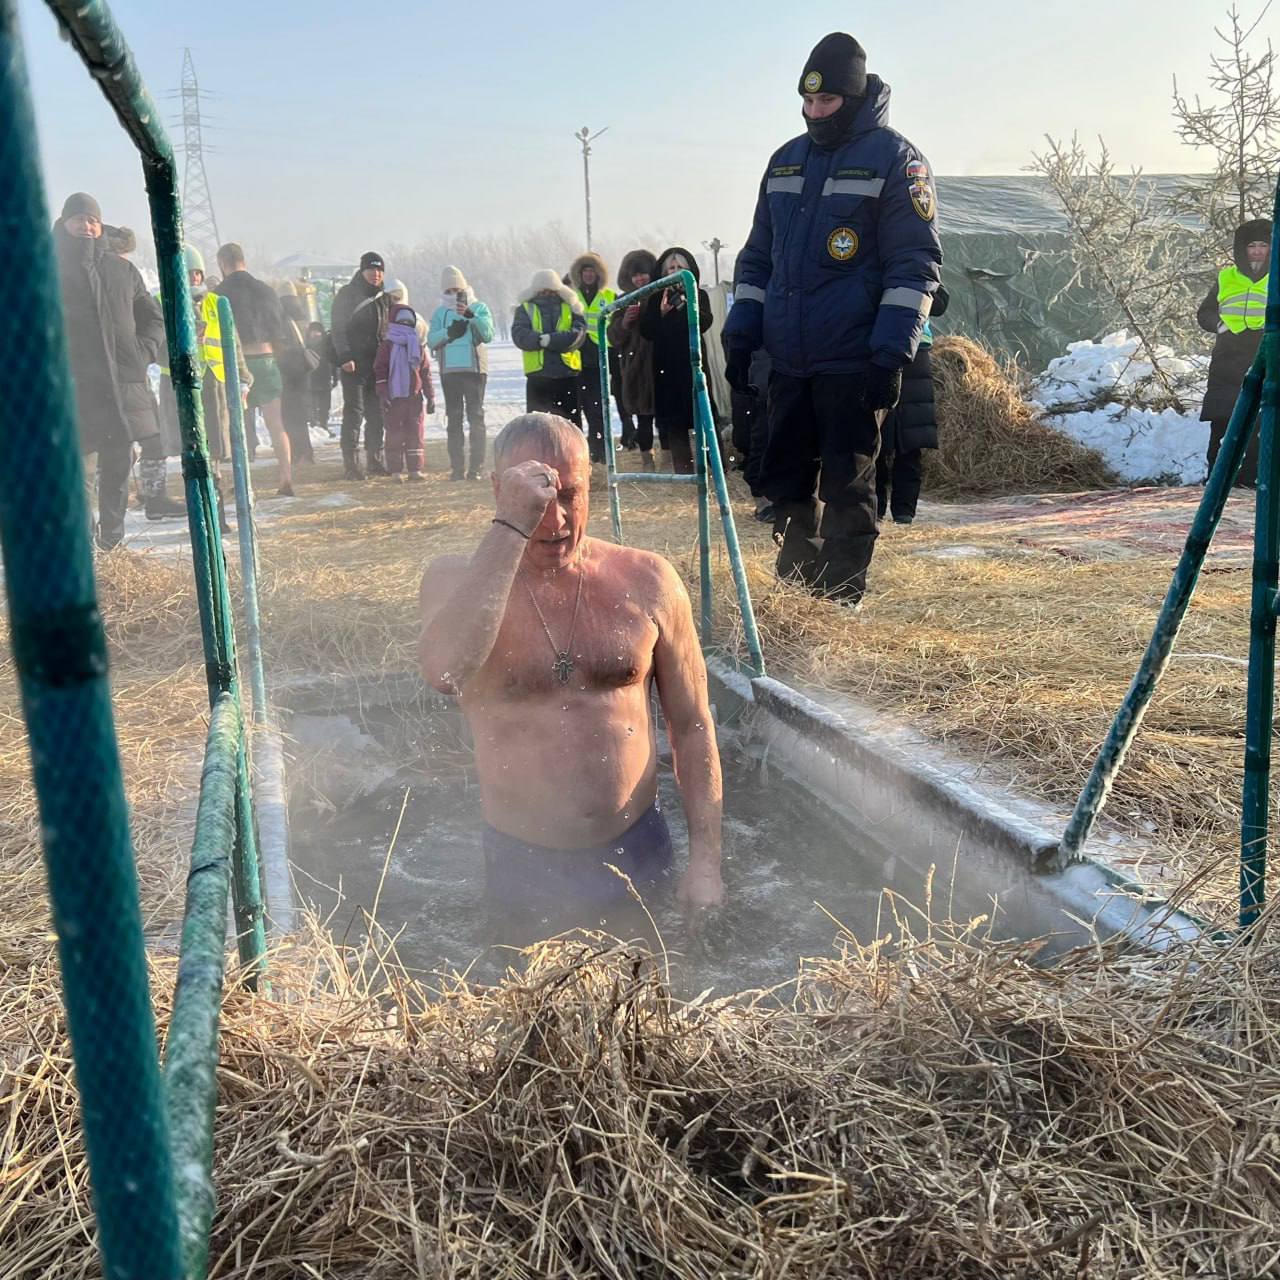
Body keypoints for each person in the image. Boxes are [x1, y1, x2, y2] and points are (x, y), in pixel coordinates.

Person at [417, 412, 724, 914]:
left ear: (590, 487)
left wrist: (706, 863)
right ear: (499, 491)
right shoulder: (456, 581)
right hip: (521, 862)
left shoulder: (648, 580)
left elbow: (692, 725)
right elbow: (445, 671)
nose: (555, 521)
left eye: (569, 495)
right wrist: (509, 528)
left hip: (638, 846)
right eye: (535, 500)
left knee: (656, 962)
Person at [724, 32, 941, 607]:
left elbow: (914, 266)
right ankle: (796, 591)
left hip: (853, 359)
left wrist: (890, 355)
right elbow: (757, 257)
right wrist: (741, 331)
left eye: (828, 101)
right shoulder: (785, 160)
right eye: (807, 101)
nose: (815, 112)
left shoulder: (897, 161)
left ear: (855, 96)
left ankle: (841, 599)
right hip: (789, 359)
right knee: (786, 479)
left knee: (847, 485)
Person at [53, 193, 167, 550]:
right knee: (78, 472)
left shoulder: (122, 269)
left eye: (92, 220)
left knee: (118, 466)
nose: (86, 226)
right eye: (78, 219)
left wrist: (142, 352)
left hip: (122, 387)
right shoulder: (46, 269)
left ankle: (112, 543)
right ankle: (84, 547)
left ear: (100, 226)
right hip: (73, 388)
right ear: (64, 223)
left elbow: (153, 318)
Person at [157, 244, 252, 534]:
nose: (195, 279)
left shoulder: (216, 303)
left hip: (214, 387)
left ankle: (217, 516)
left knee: (215, 454)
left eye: (198, 273)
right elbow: (155, 349)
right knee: (193, 453)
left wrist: (244, 378)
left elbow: (233, 344)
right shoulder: (161, 303)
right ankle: (200, 517)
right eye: (188, 273)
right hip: (181, 389)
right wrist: (182, 341)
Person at [102, 223, 187, 522]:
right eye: (122, 253)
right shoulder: (90, 277)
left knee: (152, 439)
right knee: (111, 446)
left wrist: (143, 352)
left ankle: (154, 498)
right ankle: (116, 510)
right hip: (103, 377)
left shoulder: (126, 276)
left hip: (133, 374)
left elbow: (151, 318)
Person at [214, 243, 296, 496]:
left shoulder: (219, 294)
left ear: (222, 264)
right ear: (243, 261)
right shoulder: (266, 290)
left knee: (235, 424)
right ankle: (286, 478)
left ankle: (238, 481)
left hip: (237, 364)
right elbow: (281, 328)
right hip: (267, 358)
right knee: (276, 424)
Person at [1197, 218, 1271, 488]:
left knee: (1257, 424)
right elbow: (1204, 312)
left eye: (1263, 245)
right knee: (1221, 423)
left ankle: (1246, 481)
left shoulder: (1277, 278)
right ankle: (1215, 481)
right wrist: (1220, 325)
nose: (1257, 251)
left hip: (1263, 357)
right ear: (1242, 248)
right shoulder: (1226, 277)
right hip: (1226, 360)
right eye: (1251, 246)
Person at [875, 283, 949, 524]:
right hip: (880, 348)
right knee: (875, 436)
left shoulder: (917, 269)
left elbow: (939, 304)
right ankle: (875, 507)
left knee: (910, 437)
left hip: (913, 350)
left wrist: (929, 283)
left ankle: (903, 510)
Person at [639, 247, 715, 475]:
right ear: (663, 272)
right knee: (674, 420)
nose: (675, 271)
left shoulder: (698, 294)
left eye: (680, 267)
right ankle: (684, 472)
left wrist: (684, 305)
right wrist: (662, 314)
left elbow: (705, 322)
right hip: (666, 366)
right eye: (671, 268)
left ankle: (716, 466)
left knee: (704, 414)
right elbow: (647, 331)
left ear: (690, 269)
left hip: (693, 362)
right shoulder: (655, 297)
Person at [429, 266, 495, 481]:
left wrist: (471, 316)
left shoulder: (478, 306)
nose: (453, 294)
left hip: (474, 370)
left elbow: (488, 334)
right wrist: (449, 332)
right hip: (449, 371)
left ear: (464, 288)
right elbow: (431, 340)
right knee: (454, 419)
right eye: (448, 291)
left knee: (476, 417)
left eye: (457, 289)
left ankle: (476, 467)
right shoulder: (439, 313)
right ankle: (457, 468)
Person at [331, 251, 390, 479]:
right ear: (362, 270)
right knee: (354, 413)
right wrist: (345, 355)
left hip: (377, 365)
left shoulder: (385, 298)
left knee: (377, 414)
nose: (376, 274)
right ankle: (352, 465)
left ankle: (375, 460)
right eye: (371, 269)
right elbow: (337, 328)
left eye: (379, 270)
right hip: (354, 364)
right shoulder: (347, 294)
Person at [511, 269, 587, 421]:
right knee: (539, 425)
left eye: (551, 291)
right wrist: (541, 339)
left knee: (569, 424)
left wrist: (549, 340)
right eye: (543, 291)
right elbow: (519, 335)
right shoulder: (525, 308)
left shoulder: (570, 307)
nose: (547, 294)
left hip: (566, 374)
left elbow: (577, 334)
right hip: (539, 375)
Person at [607, 249, 659, 471]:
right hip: (635, 367)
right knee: (643, 417)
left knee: (666, 417)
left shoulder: (661, 293)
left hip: (661, 361)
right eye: (634, 275)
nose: (639, 279)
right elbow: (612, 337)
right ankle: (648, 460)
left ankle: (670, 460)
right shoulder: (623, 301)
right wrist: (624, 323)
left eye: (643, 273)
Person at [374, 302, 435, 482]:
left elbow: (425, 373)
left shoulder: (417, 346)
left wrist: (430, 396)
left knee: (415, 433)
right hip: (393, 398)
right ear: (393, 322)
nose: (406, 325)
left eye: (409, 322)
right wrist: (383, 393)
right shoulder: (387, 346)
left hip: (414, 397)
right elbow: (380, 370)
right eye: (402, 321)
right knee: (394, 434)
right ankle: (395, 470)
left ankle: (415, 469)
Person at [569, 252, 616, 467]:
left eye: (592, 271)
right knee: (576, 408)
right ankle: (580, 453)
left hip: (599, 358)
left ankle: (600, 451)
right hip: (575, 359)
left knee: (598, 409)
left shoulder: (610, 296)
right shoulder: (571, 296)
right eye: (585, 271)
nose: (588, 274)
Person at [276, 280, 315, 465]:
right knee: (300, 413)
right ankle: (306, 452)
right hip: (302, 370)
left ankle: (298, 452)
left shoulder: (280, 315)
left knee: (289, 414)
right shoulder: (301, 314)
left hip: (288, 370)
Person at [305, 321, 338, 438]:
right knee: (312, 405)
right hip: (311, 379)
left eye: (318, 331)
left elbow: (333, 362)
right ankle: (314, 426)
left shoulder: (327, 345)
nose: (316, 334)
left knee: (325, 406)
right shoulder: (306, 345)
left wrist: (335, 377)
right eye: (313, 331)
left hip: (325, 378)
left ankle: (323, 425)